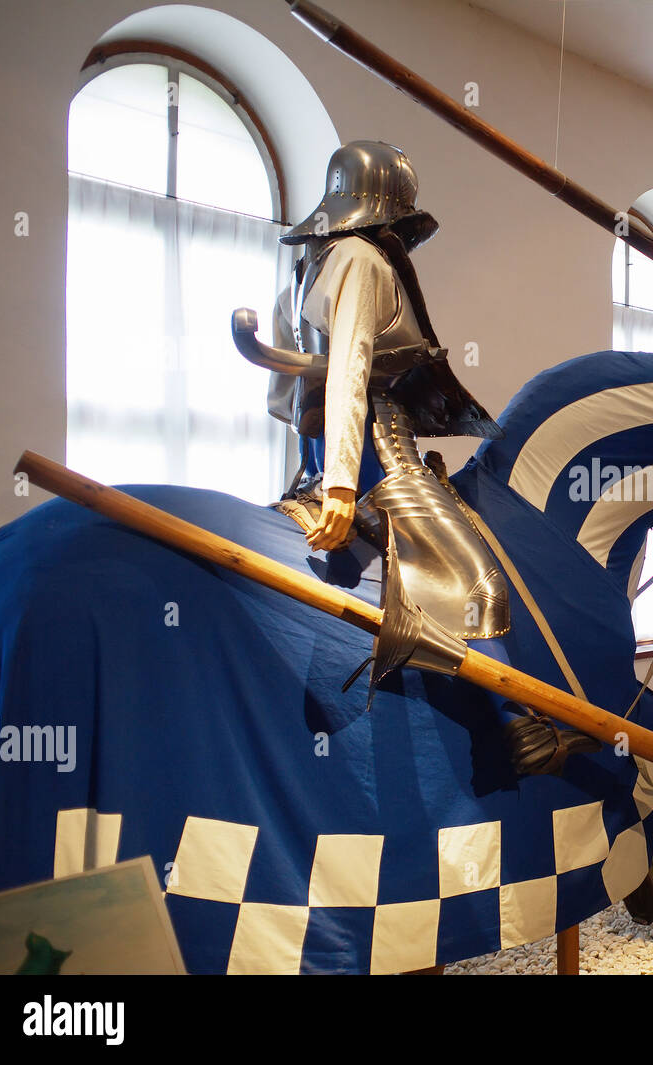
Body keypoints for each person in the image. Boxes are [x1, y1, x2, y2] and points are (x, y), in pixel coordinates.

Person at [234, 141, 596, 775]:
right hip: (379, 453)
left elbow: (289, 393)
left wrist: (321, 467)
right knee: (476, 577)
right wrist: (346, 487)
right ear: (389, 212)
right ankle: (520, 726)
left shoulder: (306, 265)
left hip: (316, 454)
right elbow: (349, 372)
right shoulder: (362, 259)